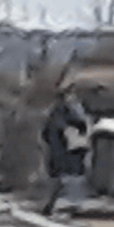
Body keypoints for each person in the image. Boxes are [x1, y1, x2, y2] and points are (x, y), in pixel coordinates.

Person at [41, 86, 98, 214]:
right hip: (68, 152)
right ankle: (69, 204)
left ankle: (51, 204)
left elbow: (44, 134)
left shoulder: (53, 113)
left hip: (57, 153)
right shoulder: (70, 111)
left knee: (57, 180)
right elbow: (81, 126)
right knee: (70, 178)